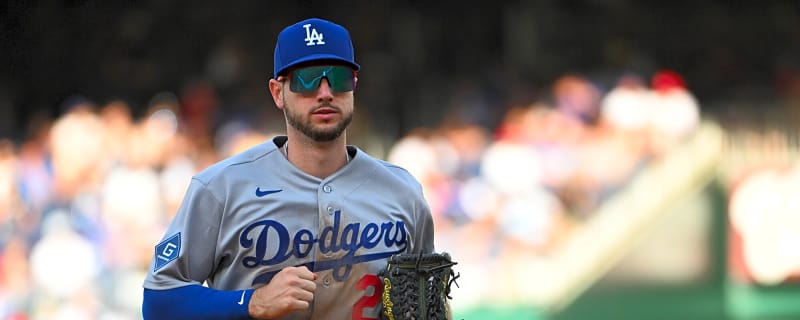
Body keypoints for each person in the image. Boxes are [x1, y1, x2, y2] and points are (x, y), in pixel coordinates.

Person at [141, 18, 436, 319]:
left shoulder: (402, 191)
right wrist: (251, 302)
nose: (325, 92)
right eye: (306, 79)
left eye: (338, 77)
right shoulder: (221, 188)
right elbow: (158, 300)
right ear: (278, 92)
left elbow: (428, 300)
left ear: (354, 87)